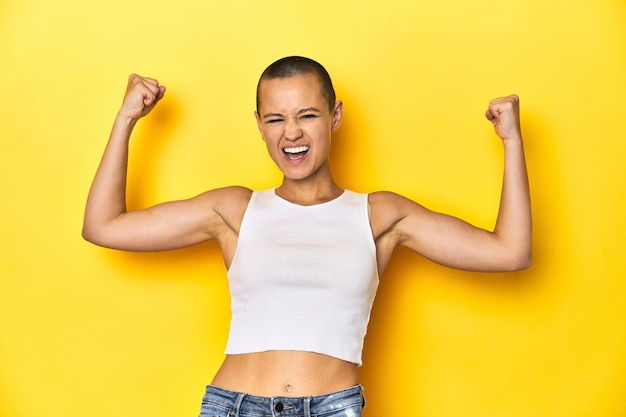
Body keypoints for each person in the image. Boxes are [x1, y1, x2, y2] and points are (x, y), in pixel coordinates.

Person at [83, 56, 531, 417]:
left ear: (334, 116)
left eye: (307, 115)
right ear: (259, 124)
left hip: (333, 407)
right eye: (275, 118)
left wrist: (511, 140)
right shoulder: (235, 210)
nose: (291, 132)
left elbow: (509, 252)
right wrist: (126, 118)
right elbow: (103, 226)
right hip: (233, 407)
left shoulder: (379, 215)